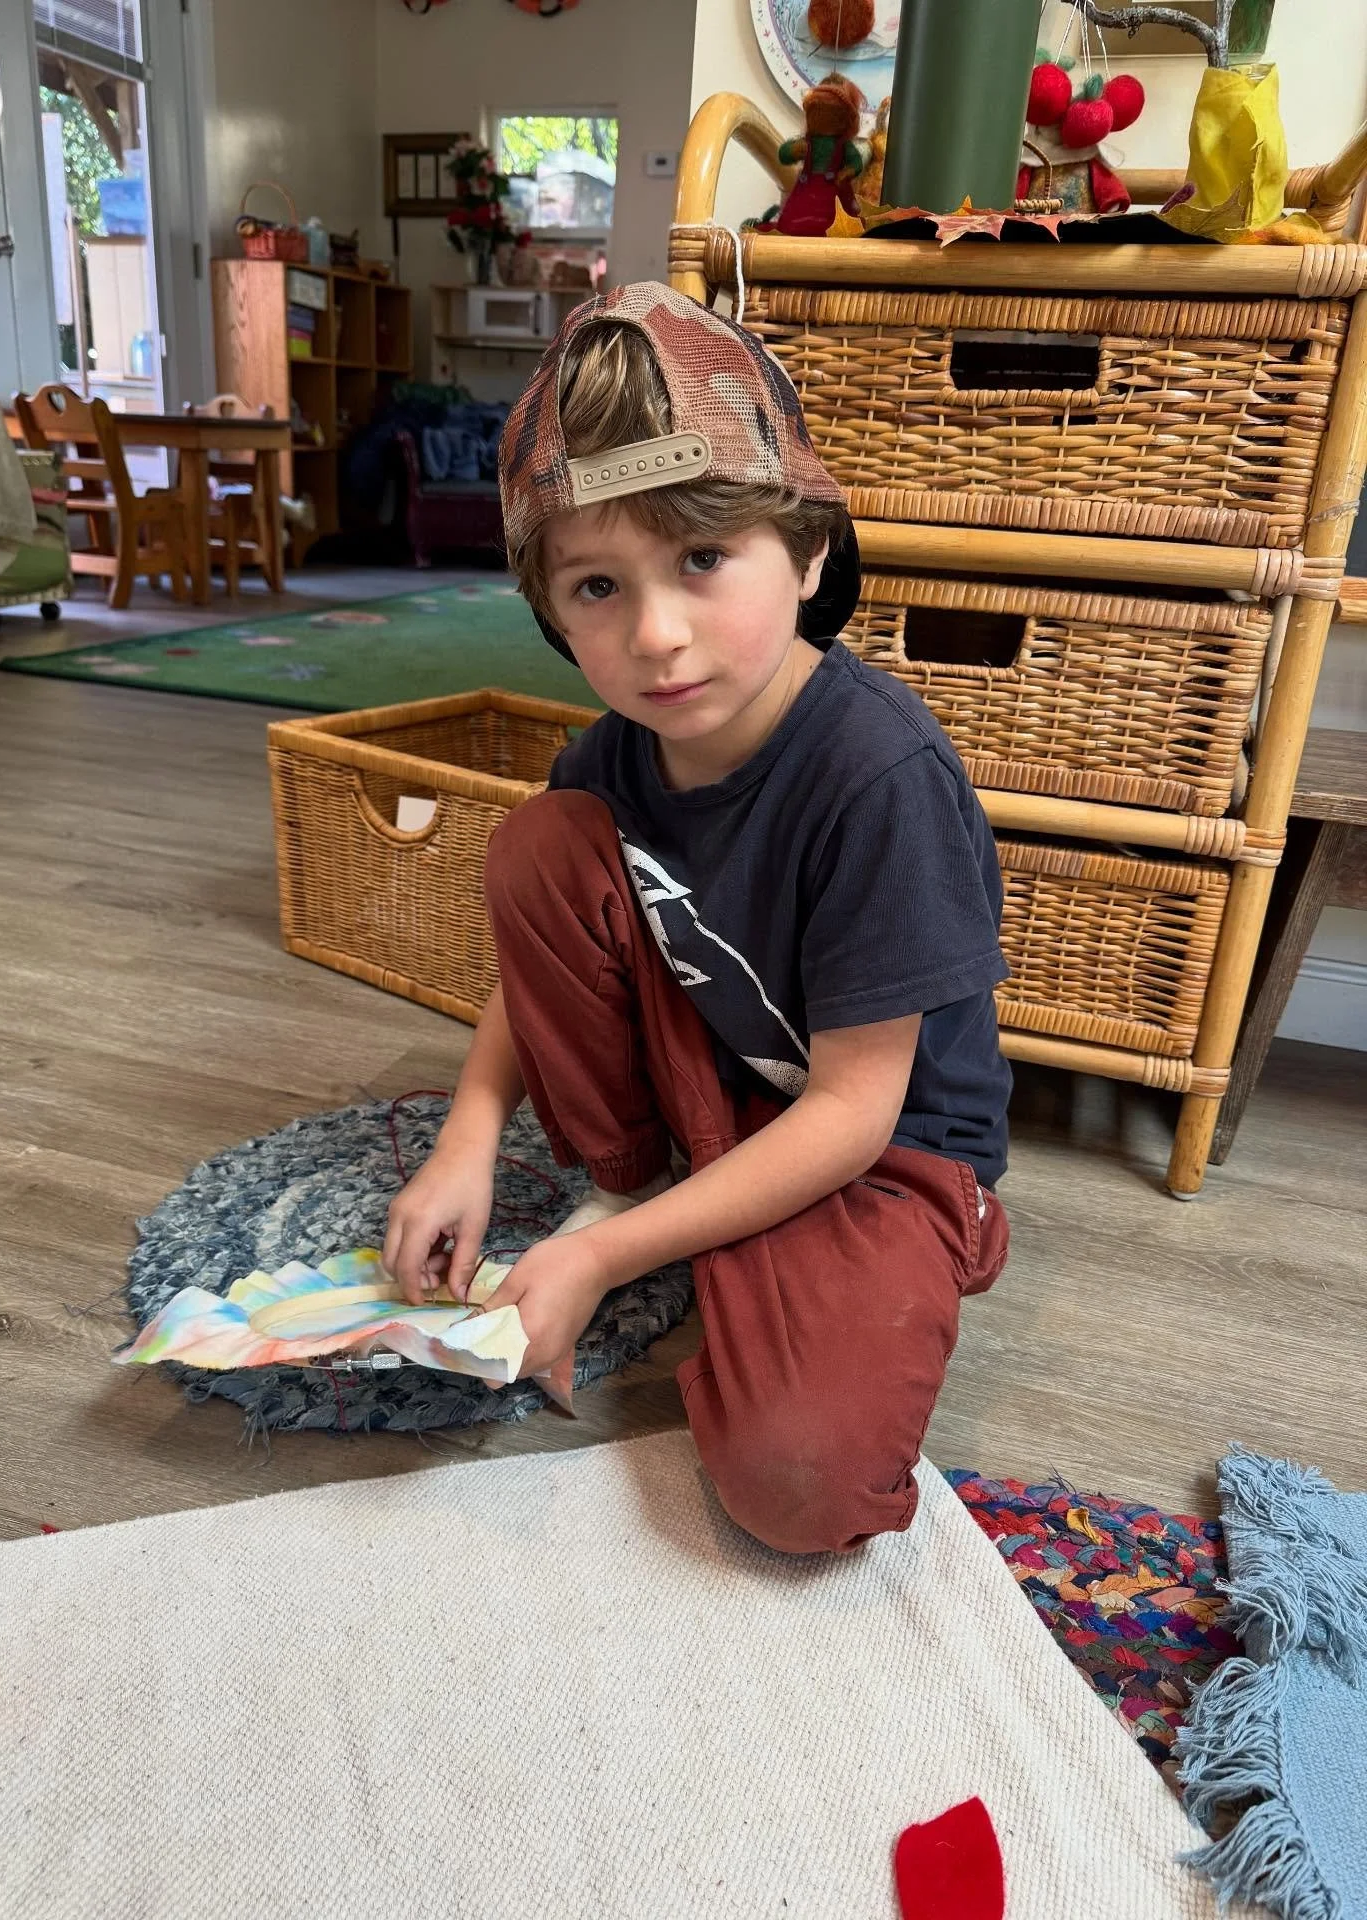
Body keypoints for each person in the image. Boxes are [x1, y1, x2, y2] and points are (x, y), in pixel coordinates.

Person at [382, 282, 1012, 1554]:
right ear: (553, 612)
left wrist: (611, 1264)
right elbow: (531, 964)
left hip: (882, 1157)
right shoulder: (613, 759)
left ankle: (685, 1234)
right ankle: (651, 1191)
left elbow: (852, 1111)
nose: (658, 637)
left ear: (812, 549)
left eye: (704, 559)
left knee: (801, 1486)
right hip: (711, 1096)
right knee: (540, 846)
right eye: (600, 587)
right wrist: (466, 1133)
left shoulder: (879, 776)